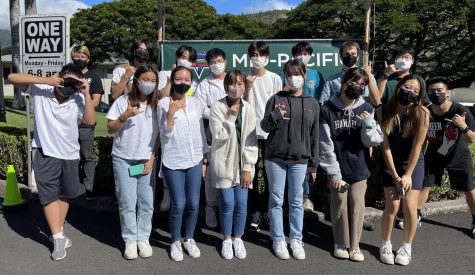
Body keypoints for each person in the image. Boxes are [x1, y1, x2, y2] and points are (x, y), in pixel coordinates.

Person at [8, 64, 96, 261]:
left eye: (74, 83)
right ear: (59, 77)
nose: (68, 86)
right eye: (66, 81)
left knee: (65, 195)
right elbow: (13, 77)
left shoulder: (78, 99)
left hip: (70, 153)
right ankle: (57, 238)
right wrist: (48, 80)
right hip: (45, 151)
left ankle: (59, 231)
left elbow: (90, 121)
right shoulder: (41, 90)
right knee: (48, 195)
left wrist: (86, 93)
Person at [319, 68, 383, 262]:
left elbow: (372, 141)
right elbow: (325, 143)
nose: (357, 87)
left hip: (359, 166)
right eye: (353, 83)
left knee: (357, 205)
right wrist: (333, 173)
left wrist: (368, 124)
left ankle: (354, 246)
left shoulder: (367, 108)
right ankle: (340, 242)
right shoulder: (327, 109)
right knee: (339, 204)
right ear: (343, 83)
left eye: (362, 85)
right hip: (337, 166)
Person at [260, 59, 319, 260]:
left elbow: (315, 135)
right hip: (275, 158)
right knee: (276, 200)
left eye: (298, 74)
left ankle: (296, 238)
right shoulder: (276, 99)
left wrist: (314, 164)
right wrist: (275, 115)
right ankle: (278, 238)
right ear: (285, 76)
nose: (294, 78)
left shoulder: (312, 102)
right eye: (290, 74)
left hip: (300, 160)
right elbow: (264, 126)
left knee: (296, 201)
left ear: (304, 76)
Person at [106, 65, 159, 260]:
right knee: (127, 201)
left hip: (146, 160)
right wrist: (125, 115)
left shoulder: (157, 104)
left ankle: (143, 237)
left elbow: (160, 134)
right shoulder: (123, 101)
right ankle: (130, 239)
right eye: (145, 79)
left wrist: (152, 157)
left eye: (153, 80)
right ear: (136, 80)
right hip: (123, 158)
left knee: (146, 202)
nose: (149, 83)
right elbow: (110, 128)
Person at [157, 66, 208, 262]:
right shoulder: (163, 103)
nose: (183, 82)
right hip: (173, 160)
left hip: (194, 158)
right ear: (172, 80)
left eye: (187, 79)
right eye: (179, 78)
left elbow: (210, 115)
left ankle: (189, 238)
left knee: (194, 204)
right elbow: (165, 134)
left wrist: (229, 108)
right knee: (179, 204)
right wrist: (171, 113)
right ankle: (175, 241)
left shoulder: (196, 102)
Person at [378, 75, 429, 266]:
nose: (411, 92)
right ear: (399, 87)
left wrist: (407, 175)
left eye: (416, 91)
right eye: (408, 87)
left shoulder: (422, 112)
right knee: (392, 205)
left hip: (413, 164)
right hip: (389, 162)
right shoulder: (385, 110)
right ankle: (385, 243)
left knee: (409, 206)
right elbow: (385, 146)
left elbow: (418, 147)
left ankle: (407, 246)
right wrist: (394, 174)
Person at [209, 70, 258, 260]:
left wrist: (248, 167)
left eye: (240, 84)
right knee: (228, 203)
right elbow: (219, 136)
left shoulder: (249, 108)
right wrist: (230, 117)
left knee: (242, 204)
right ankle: (226, 239)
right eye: (232, 84)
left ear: (244, 87)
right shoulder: (217, 107)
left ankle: (238, 238)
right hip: (223, 164)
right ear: (225, 86)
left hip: (242, 166)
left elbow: (251, 140)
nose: (236, 88)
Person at [422, 76, 475, 239]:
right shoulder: (425, 111)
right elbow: (421, 138)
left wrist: (463, 127)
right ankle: (414, 215)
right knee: (424, 187)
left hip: (458, 156)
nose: (436, 93)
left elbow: (472, 139)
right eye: (432, 91)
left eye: (439, 91)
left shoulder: (460, 111)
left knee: (469, 189)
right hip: (434, 156)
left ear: (447, 93)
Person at [281, 41, 325, 211]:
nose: (302, 56)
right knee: (291, 162)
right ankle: (290, 196)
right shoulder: (285, 73)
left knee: (308, 160)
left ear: (310, 56)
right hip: (290, 124)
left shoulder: (316, 74)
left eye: (305, 53)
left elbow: (320, 98)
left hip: (309, 123)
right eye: (298, 53)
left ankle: (307, 197)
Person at [244, 41, 282, 231]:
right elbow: (241, 106)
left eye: (261, 54)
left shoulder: (274, 78)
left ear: (267, 57)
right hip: (252, 135)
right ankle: (256, 212)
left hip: (271, 135)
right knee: (257, 175)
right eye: (254, 54)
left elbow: (279, 106)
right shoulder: (245, 78)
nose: (257, 58)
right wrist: (248, 87)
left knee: (271, 176)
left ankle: (269, 212)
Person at [194, 48, 228, 229]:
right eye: (213, 62)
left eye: (219, 61)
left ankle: (225, 208)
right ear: (208, 64)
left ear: (226, 62)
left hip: (231, 135)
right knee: (212, 175)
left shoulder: (232, 80)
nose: (216, 65)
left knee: (228, 173)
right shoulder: (204, 84)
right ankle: (210, 207)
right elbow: (200, 108)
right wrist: (218, 113)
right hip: (211, 134)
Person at [71, 44, 104, 200]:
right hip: (68, 122)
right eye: (77, 56)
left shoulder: (94, 76)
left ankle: (88, 188)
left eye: (83, 56)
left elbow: (96, 101)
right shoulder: (68, 74)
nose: (80, 59)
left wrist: (85, 102)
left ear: (88, 59)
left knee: (86, 156)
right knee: (70, 155)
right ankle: (72, 185)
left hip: (85, 123)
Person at [319, 41, 377, 105]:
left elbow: (376, 100)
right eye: (346, 54)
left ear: (357, 57)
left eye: (353, 54)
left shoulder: (368, 76)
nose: (350, 56)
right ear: (341, 57)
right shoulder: (331, 81)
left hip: (363, 113)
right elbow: (324, 102)